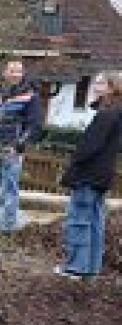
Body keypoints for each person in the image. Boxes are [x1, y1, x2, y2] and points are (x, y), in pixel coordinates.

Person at [56, 71, 122, 279]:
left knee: (78, 220)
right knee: (95, 222)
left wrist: (74, 162)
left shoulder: (107, 115)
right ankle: (91, 269)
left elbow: (89, 147)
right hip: (102, 175)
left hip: (89, 174)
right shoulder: (116, 113)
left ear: (112, 88)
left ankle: (75, 267)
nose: (95, 85)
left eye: (101, 83)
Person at [0, 59, 43, 232]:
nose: (15, 74)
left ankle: (7, 227)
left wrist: (18, 146)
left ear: (23, 73)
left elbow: (35, 126)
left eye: (19, 71)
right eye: (12, 70)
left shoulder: (30, 96)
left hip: (12, 149)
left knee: (9, 188)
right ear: (4, 72)